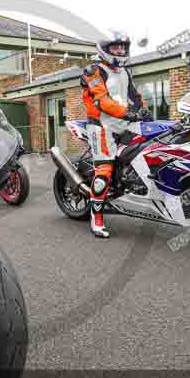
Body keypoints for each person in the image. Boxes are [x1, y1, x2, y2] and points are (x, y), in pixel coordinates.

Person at [80, 31, 148, 239]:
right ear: (105, 49)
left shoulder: (125, 72)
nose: (120, 51)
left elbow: (134, 97)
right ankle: (96, 218)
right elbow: (102, 101)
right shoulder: (92, 71)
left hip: (123, 123)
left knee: (146, 150)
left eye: (123, 47)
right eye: (115, 47)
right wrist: (128, 113)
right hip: (101, 126)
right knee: (104, 171)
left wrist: (144, 111)